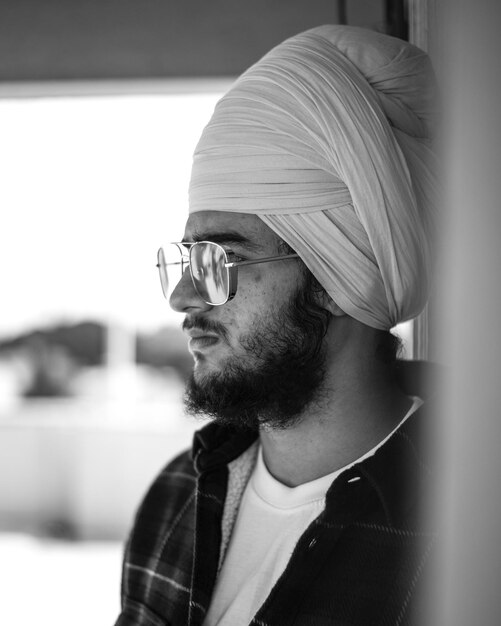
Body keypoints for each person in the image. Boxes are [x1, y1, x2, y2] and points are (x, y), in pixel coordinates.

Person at [115, 24, 438, 626]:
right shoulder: (176, 496)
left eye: (221, 260)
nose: (184, 297)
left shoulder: (464, 530)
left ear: (339, 278)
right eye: (187, 261)